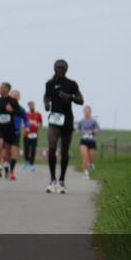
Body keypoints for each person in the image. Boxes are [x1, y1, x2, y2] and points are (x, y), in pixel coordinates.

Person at [44, 59, 84, 194]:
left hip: (67, 120)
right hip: (54, 120)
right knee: (52, 148)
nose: (60, 70)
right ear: (54, 69)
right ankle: (52, 180)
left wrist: (70, 97)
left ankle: (61, 180)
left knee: (64, 152)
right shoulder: (50, 83)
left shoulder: (71, 84)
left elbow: (81, 100)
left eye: (62, 68)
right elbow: (46, 96)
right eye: (58, 68)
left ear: (66, 69)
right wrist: (46, 103)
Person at [0, 83, 24, 179]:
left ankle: (9, 167)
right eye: (0, 88)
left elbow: (19, 112)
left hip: (10, 129)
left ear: (7, 89)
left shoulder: (13, 101)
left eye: (2, 88)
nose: (0, 89)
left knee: (9, 151)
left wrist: (12, 110)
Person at [76, 105, 101, 180]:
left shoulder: (93, 121)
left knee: (91, 159)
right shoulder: (81, 121)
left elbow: (99, 130)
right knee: (85, 157)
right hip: (84, 140)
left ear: (90, 112)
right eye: (85, 111)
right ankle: (86, 172)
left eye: (88, 111)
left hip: (92, 141)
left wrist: (93, 131)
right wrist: (79, 132)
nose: (87, 113)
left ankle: (90, 164)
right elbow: (77, 130)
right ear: (84, 112)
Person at [24, 100, 43, 171]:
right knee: (26, 149)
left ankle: (31, 164)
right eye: (30, 105)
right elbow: (23, 122)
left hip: (34, 134)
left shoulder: (38, 114)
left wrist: (38, 124)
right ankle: (26, 161)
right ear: (28, 106)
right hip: (26, 134)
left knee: (33, 150)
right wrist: (25, 126)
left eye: (33, 105)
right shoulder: (26, 114)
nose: (32, 106)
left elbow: (41, 122)